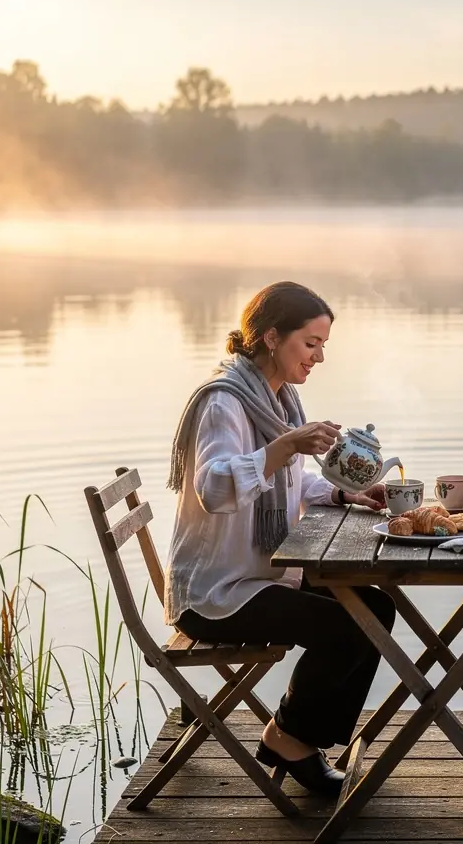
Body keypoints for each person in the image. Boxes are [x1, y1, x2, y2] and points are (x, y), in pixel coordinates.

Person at [164, 281, 395, 797]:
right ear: (271, 337)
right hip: (216, 593)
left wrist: (344, 496)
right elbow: (215, 488)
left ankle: (296, 735)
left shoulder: (277, 399)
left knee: (373, 611)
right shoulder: (224, 402)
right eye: (310, 343)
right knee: (347, 628)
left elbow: (288, 483)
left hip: (259, 576)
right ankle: (290, 739)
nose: (318, 357)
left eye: (323, 346)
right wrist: (287, 445)